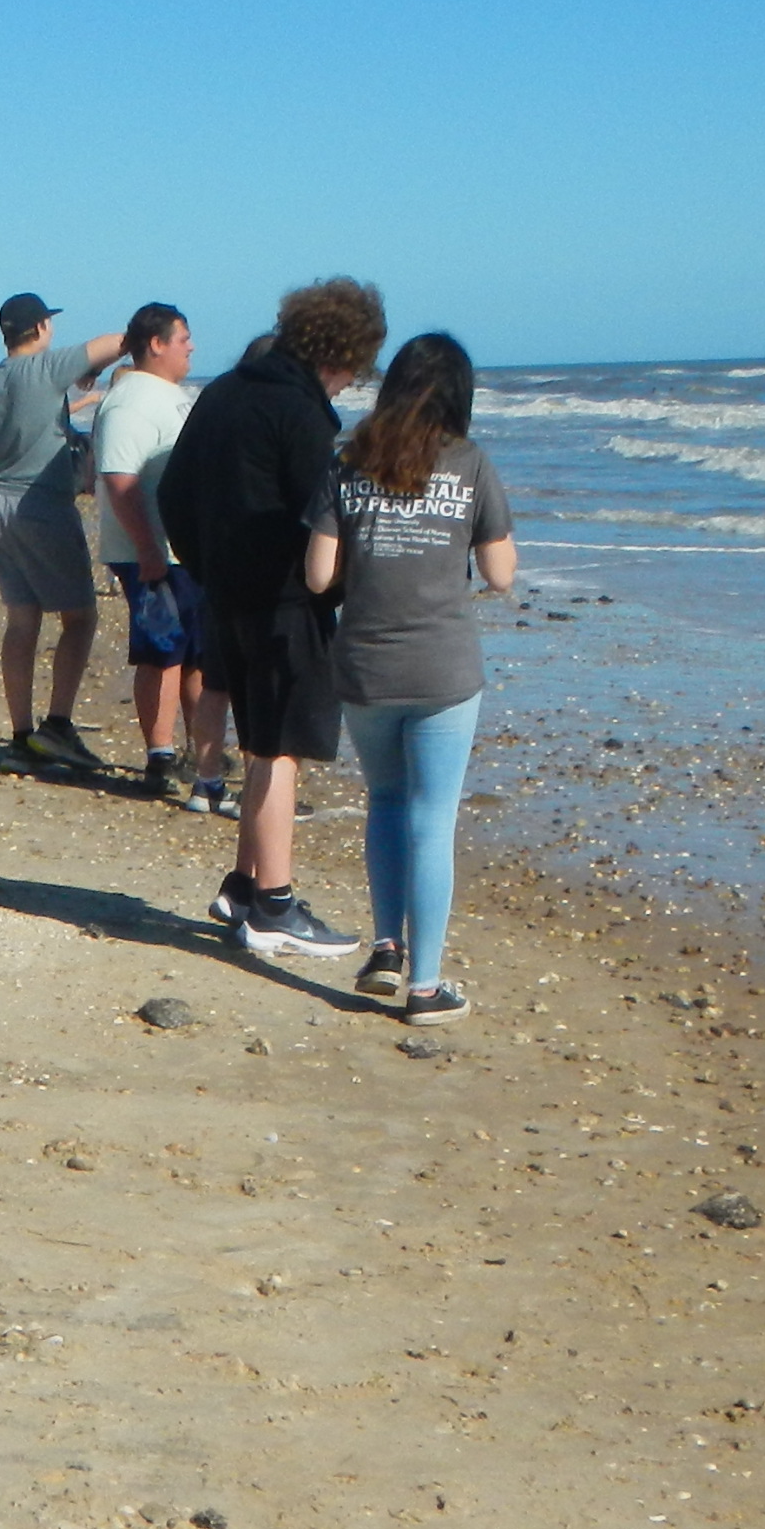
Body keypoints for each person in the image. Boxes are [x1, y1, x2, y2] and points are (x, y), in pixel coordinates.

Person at [157, 275, 388, 958]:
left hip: (225, 594)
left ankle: (246, 884)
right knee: (281, 747)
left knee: (261, 745)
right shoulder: (301, 413)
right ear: (341, 352)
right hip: (284, 602)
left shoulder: (223, 392)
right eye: (356, 367)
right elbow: (326, 518)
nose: (352, 383)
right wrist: (337, 588)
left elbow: (174, 490)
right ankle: (277, 906)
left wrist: (205, 566)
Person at [307, 331, 514, 1023]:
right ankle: (425, 987)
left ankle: (387, 947)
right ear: (460, 395)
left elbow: (317, 575)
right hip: (443, 668)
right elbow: (501, 573)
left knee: (387, 801)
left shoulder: (349, 462)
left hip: (364, 664)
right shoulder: (471, 464)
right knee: (432, 818)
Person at [0, 292, 123, 775]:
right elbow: (121, 340)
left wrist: (15, 451)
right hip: (41, 505)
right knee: (80, 617)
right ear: (39, 329)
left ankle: (21, 736)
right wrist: (90, 371)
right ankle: (58, 724)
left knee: (22, 621)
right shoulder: (48, 367)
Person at [85, 301, 232, 810]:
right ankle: (159, 756)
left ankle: (200, 752)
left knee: (195, 655)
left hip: (183, 549)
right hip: (153, 552)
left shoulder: (168, 395)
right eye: (183, 338)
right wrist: (148, 548)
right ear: (157, 344)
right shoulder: (129, 402)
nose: (191, 347)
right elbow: (118, 479)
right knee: (162, 651)